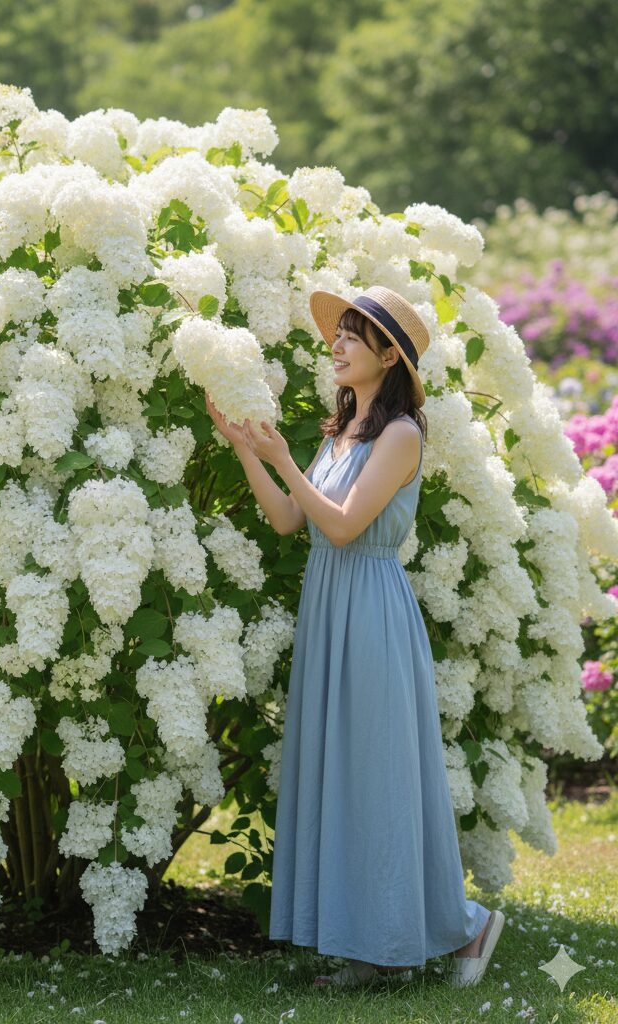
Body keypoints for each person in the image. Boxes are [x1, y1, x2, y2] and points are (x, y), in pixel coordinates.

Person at [204, 284, 505, 989]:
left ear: (388, 353)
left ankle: (459, 927)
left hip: (369, 607)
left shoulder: (401, 434)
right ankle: (377, 949)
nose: (335, 345)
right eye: (335, 333)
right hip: (329, 605)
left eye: (351, 335)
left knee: (376, 772)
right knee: (344, 771)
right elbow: (288, 520)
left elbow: (342, 525)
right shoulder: (340, 433)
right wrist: (247, 448)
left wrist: (281, 456)